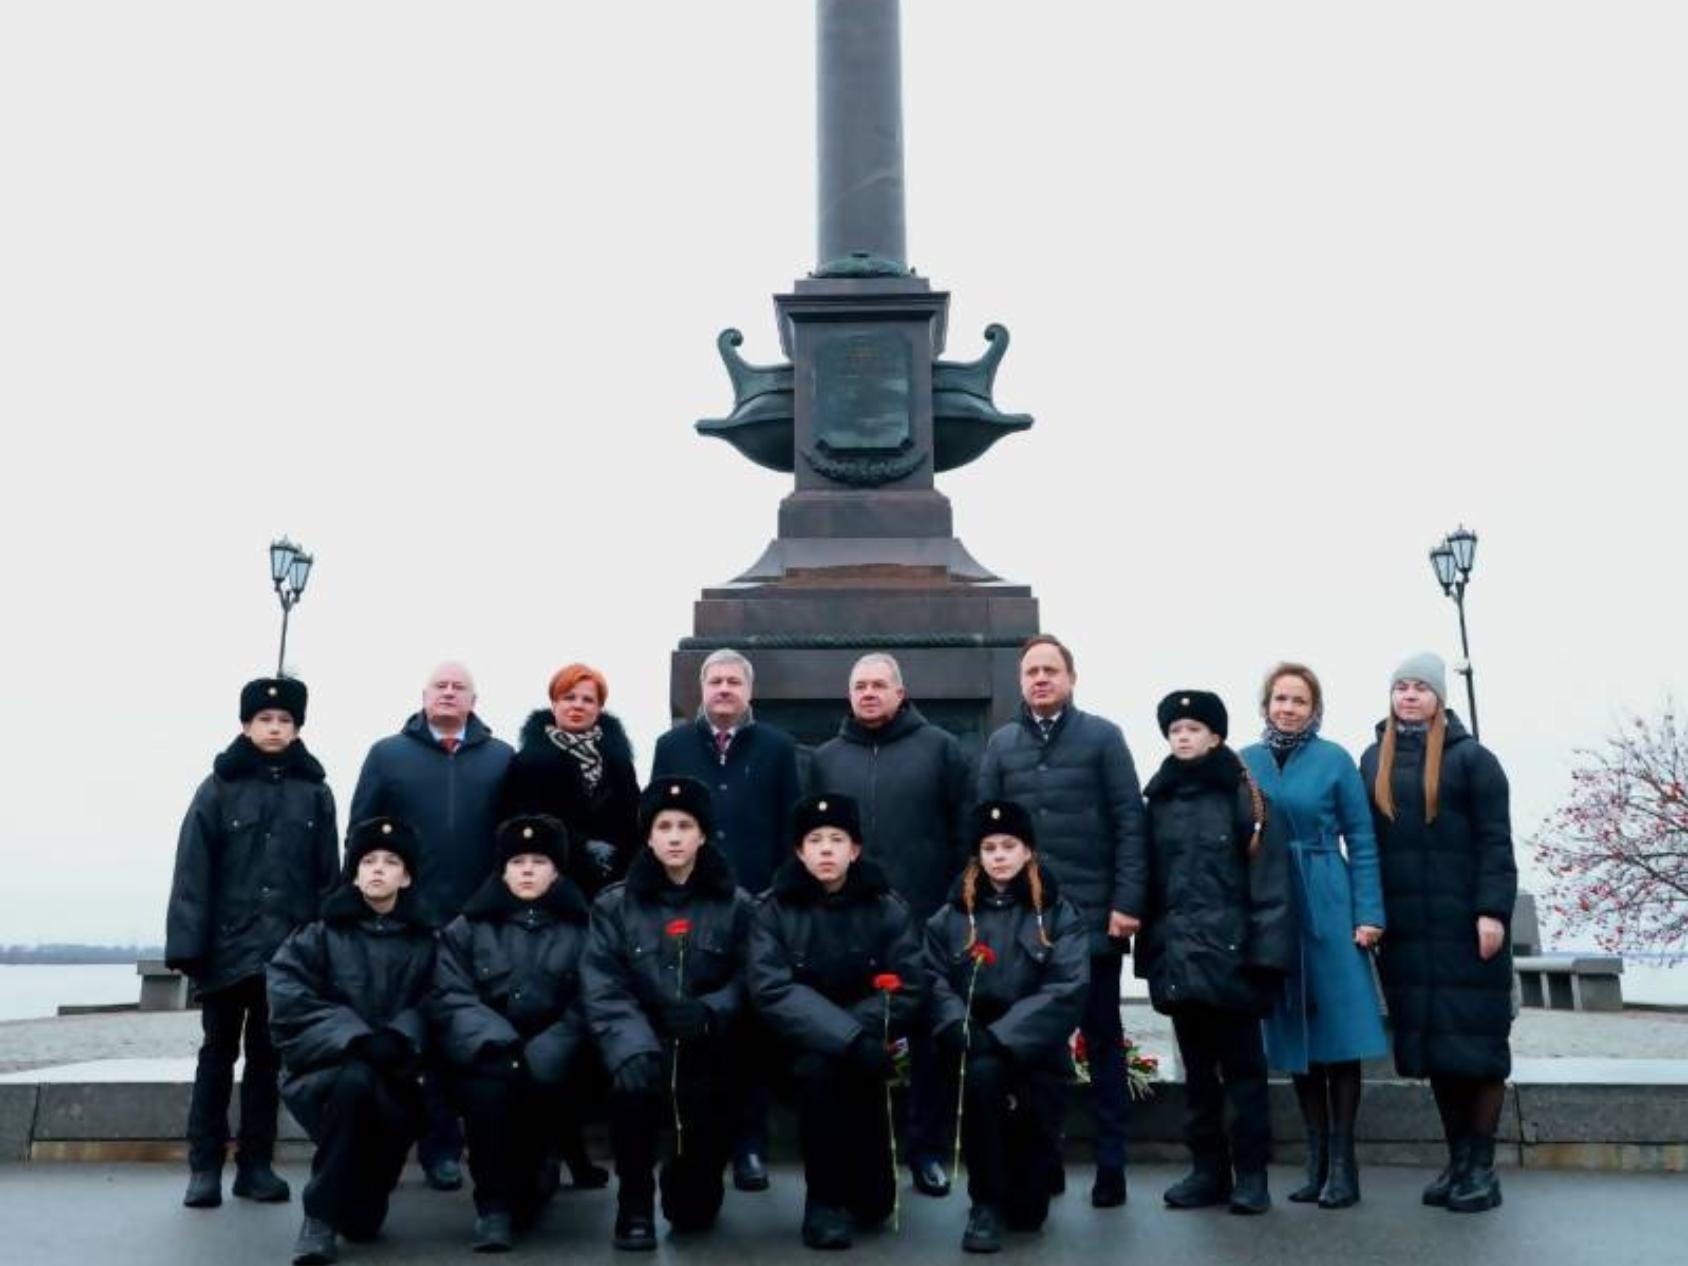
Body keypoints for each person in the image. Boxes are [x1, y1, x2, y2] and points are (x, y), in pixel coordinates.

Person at [976, 634, 1148, 1207]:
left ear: (1071, 678)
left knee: (1102, 1041)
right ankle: (1042, 1160)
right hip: (1024, 924)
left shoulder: (1103, 738)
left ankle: (1111, 1164)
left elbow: (1129, 823)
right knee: (1036, 1046)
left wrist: (1127, 902)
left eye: (1051, 670)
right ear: (1020, 682)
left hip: (1094, 920)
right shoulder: (1001, 745)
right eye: (1032, 671)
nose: (1041, 679)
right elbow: (984, 832)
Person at [165, 676, 339, 1210]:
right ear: (245, 725)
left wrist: (322, 949)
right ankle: (204, 1167)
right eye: (264, 719)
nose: (274, 728)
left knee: (268, 1061)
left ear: (297, 728)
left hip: (287, 953)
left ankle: (256, 1165)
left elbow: (327, 877)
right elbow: (192, 872)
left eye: (285, 720)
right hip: (225, 951)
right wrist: (189, 948)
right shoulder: (217, 788)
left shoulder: (315, 792)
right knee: (216, 1057)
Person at [348, 661, 514, 1190]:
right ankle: (432, 1145)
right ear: (423, 696)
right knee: (416, 1035)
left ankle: (475, 1147)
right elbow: (360, 836)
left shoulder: (501, 758)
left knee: (470, 1034)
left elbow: (514, 841)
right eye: (439, 686)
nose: (448, 693)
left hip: (479, 922)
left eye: (458, 687)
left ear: (474, 700)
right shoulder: (387, 755)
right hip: (409, 920)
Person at [1359, 654, 1516, 1214]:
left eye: (1420, 688)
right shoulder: (1372, 759)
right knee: (1438, 1053)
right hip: (1408, 934)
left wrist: (1492, 911)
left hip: (1465, 929)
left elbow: (1496, 842)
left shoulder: (1474, 760)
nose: (1409, 696)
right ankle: (1458, 1160)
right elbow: (1367, 843)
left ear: (1439, 698)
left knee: (1479, 1050)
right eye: (1400, 687)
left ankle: (1482, 1168)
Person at [811, 651, 972, 1197]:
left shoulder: (941, 749)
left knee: (928, 1041)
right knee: (854, 1035)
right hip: (849, 926)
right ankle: (860, 1156)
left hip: (925, 918)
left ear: (900, 693)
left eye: (879, 685)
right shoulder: (826, 759)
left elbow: (964, 831)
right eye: (860, 686)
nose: (869, 693)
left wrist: (952, 905)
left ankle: (927, 1152)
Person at [1134, 691, 1294, 1216]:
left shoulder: (1246, 797)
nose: (1182, 737)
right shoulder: (1157, 800)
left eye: (1193, 729)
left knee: (1244, 1075)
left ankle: (1252, 1175)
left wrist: (1266, 959)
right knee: (1198, 1077)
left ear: (1216, 737)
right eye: (1175, 730)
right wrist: (1151, 957)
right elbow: (1149, 885)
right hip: (1179, 960)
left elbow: (1270, 884)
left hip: (1235, 959)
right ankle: (1207, 1171)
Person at [583, 777, 756, 1251]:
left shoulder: (737, 906)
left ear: (703, 835)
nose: (675, 837)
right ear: (648, 837)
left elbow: (751, 978)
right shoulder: (614, 905)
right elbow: (603, 983)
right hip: (641, 1042)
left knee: (694, 1213)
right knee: (631, 1088)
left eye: (685, 826)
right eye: (664, 827)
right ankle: (634, 1204)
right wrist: (631, 1045)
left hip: (706, 1045)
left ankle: (692, 1185)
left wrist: (711, 1011)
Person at [652, 647, 801, 1191]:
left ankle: (750, 1146)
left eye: (733, 682)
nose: (723, 689)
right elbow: (657, 822)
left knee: (750, 1026)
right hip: (690, 907)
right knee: (695, 1026)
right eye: (715, 680)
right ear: (701, 688)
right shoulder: (672, 746)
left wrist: (778, 897)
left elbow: (790, 828)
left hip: (756, 906)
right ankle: (696, 1147)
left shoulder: (778, 748)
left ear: (749, 691)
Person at [1240, 663, 1387, 1208]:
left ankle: (1344, 1166)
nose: (1288, 708)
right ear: (1266, 705)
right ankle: (1316, 1160)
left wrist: (1367, 913)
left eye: (1299, 701)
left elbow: (1362, 839)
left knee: (1339, 1037)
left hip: (1327, 896)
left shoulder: (1334, 760)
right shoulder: (1245, 762)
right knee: (1295, 1034)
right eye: (1280, 699)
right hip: (1273, 904)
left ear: (1314, 709)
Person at [748, 794, 924, 1250]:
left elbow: (909, 984)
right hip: (799, 1047)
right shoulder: (772, 910)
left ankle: (867, 1187)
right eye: (814, 840)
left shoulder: (887, 907)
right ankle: (822, 1204)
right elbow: (772, 990)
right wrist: (846, 1037)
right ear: (799, 851)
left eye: (837, 839)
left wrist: (859, 1034)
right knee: (819, 1072)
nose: (826, 849)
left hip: (869, 1044)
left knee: (874, 1206)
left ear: (855, 849)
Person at [268, 818, 437, 1265]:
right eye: (368, 861)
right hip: (328, 1075)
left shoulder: (428, 942)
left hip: (401, 1078)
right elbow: (288, 997)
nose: (378, 869)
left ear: (407, 877)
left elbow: (442, 1001)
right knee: (354, 1082)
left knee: (363, 1222)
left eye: (391, 861)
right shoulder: (318, 935)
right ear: (355, 874)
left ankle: (358, 1197)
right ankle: (318, 1220)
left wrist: (401, 1036)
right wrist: (355, 1039)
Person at [924, 800, 1088, 1252]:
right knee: (982, 1084)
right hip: (974, 1044)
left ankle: (1035, 1174)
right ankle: (985, 1203)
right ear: (978, 855)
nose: (999, 856)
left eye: (1009, 846)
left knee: (1029, 1216)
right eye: (989, 847)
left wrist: (1003, 1037)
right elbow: (932, 978)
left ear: (1028, 850)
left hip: (1035, 1048)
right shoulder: (951, 916)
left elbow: (1067, 986)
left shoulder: (1057, 913)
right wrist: (958, 1025)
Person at [430, 815, 593, 1252]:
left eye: (539, 862)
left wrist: (553, 1045)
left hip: (557, 1057)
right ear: (502, 870)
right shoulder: (467, 928)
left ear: (556, 871)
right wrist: (499, 1043)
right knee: (487, 1096)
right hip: (489, 1053)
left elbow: (594, 996)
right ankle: (492, 1211)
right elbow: (450, 994)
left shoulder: (584, 928)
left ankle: (540, 1169)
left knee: (530, 1193)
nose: (527, 871)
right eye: (517, 862)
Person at [500, 663, 640, 901]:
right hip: (553, 888)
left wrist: (618, 856)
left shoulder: (619, 762)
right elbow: (517, 824)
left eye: (588, 700)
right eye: (569, 698)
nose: (578, 705)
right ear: (554, 704)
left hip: (613, 890)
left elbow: (635, 821)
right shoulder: (527, 762)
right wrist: (582, 847)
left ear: (599, 708)